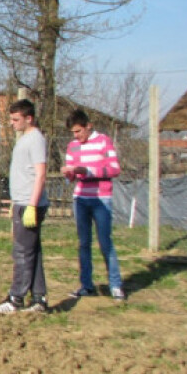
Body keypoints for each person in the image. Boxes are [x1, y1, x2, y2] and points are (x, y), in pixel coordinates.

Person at [0, 99, 49, 314]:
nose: (11, 123)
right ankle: (39, 299)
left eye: (16, 119)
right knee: (33, 251)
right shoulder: (26, 139)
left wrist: (32, 205)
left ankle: (16, 299)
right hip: (22, 202)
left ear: (28, 118)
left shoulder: (35, 140)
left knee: (22, 252)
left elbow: (40, 173)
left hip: (29, 203)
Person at [60, 109, 126, 301]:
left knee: (105, 242)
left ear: (88, 126)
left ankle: (115, 285)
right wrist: (69, 174)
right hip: (80, 198)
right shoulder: (72, 146)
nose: (76, 136)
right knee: (83, 243)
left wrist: (87, 170)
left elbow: (114, 169)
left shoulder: (104, 141)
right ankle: (86, 285)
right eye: (73, 132)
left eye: (79, 131)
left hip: (101, 198)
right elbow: (73, 175)